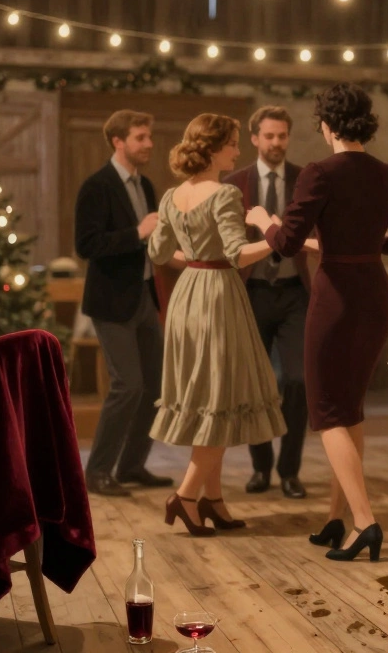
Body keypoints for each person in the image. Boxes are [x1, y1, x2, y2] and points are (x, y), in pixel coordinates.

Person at [247, 82, 388, 561]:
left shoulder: (320, 173)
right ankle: (336, 518)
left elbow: (284, 244)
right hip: (377, 297)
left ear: (326, 125)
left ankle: (364, 521)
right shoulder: (386, 173)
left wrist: (264, 219)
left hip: (338, 299)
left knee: (327, 414)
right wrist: (364, 245)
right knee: (350, 408)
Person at [147, 113, 291, 536]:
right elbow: (236, 254)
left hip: (188, 295)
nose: (237, 150)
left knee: (212, 397)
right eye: (231, 143)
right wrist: (274, 237)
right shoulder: (224, 194)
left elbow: (158, 252)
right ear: (212, 149)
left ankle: (213, 501)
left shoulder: (173, 195)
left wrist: (193, 261)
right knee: (222, 397)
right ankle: (187, 496)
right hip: (217, 297)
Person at [74, 110, 172, 497]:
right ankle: (97, 471)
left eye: (149, 137)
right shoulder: (96, 186)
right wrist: (137, 232)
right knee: (127, 385)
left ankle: (131, 466)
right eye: (141, 137)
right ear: (118, 141)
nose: (149, 144)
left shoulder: (145, 185)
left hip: (144, 297)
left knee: (154, 387)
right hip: (111, 302)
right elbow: (87, 245)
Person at [224, 106, 313, 500]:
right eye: (269, 136)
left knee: (298, 380)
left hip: (296, 292)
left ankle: (289, 470)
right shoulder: (234, 183)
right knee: (254, 385)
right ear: (255, 138)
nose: (276, 143)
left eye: (282, 136)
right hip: (252, 292)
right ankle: (260, 467)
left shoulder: (306, 180)